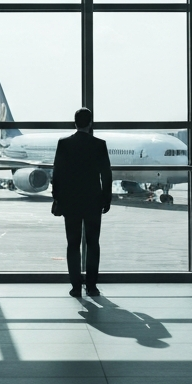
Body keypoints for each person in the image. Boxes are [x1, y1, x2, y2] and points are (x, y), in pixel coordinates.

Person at [51, 107, 112, 299]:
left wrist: (57, 198)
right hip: (93, 200)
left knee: (73, 244)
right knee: (93, 243)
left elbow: (57, 174)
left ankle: (76, 286)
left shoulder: (64, 144)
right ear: (91, 123)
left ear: (75, 123)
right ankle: (92, 286)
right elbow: (106, 175)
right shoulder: (99, 145)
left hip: (71, 201)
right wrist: (106, 198)